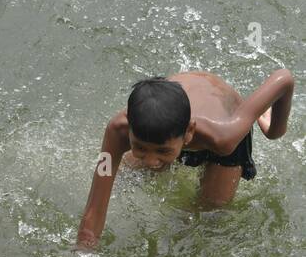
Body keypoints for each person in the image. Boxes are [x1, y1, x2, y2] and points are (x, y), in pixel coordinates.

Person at [76, 70, 294, 247]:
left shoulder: (224, 138)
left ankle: (256, 116)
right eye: (139, 147)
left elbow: (284, 78)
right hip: (177, 103)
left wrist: (275, 129)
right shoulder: (118, 130)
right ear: (129, 127)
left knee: (207, 216)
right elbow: (93, 211)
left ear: (189, 133)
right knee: (125, 176)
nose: (151, 161)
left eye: (162, 151)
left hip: (223, 118)